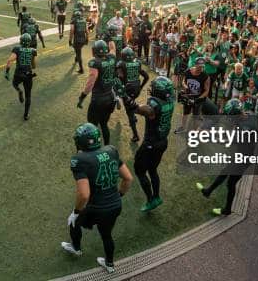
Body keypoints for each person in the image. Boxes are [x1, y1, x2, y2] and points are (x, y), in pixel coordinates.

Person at [61, 123, 133, 274]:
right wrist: (119, 195)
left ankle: (76, 247)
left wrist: (75, 211)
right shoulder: (111, 150)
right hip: (114, 205)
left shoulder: (80, 160)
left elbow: (84, 194)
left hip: (97, 207)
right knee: (106, 235)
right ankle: (110, 264)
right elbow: (128, 178)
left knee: (74, 221)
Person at [131, 76, 175, 212]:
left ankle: (151, 200)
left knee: (139, 170)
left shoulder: (155, 105)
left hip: (151, 144)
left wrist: (131, 103)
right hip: (162, 142)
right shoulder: (170, 101)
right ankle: (156, 196)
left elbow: (144, 111)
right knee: (152, 170)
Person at [195, 99, 245, 216]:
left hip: (243, 159)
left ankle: (227, 210)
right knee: (224, 172)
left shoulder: (242, 127)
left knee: (230, 184)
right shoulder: (243, 119)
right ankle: (208, 191)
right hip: (238, 155)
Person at [77, 41, 118, 146]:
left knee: (92, 126)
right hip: (110, 97)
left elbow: (91, 82)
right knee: (104, 124)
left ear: (94, 51)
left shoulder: (95, 62)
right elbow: (113, 48)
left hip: (98, 99)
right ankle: (107, 146)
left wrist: (82, 96)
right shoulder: (112, 57)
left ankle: (93, 147)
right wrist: (110, 41)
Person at [116, 47, 149, 142]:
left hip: (127, 91)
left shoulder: (121, 64)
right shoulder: (137, 63)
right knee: (131, 103)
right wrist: (141, 87)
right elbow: (146, 76)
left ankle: (136, 135)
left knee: (129, 112)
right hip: (136, 90)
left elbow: (119, 78)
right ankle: (133, 112)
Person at [4, 33, 37, 121]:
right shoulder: (33, 50)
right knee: (28, 96)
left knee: (15, 84)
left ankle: (19, 91)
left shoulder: (17, 49)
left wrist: (7, 72)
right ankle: (26, 115)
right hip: (28, 75)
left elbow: (10, 60)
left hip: (19, 73)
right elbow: (34, 66)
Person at [174, 57, 210, 134]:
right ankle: (183, 127)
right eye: (199, 66)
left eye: (202, 66)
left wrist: (199, 98)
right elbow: (183, 81)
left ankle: (194, 131)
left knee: (195, 115)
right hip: (188, 95)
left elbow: (207, 90)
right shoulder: (188, 71)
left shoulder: (205, 76)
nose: (200, 68)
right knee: (185, 112)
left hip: (198, 98)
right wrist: (185, 87)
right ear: (195, 64)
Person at [70, 9, 89, 74]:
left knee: (79, 53)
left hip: (77, 39)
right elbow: (87, 31)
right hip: (83, 39)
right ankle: (76, 58)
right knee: (77, 49)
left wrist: (70, 40)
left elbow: (72, 31)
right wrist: (87, 39)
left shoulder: (74, 21)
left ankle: (81, 69)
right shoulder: (84, 20)